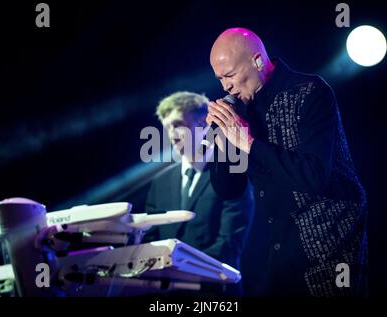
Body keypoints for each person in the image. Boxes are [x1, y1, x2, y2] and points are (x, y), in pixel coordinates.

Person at [206, 28, 368, 297]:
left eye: (230, 75)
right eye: (220, 79)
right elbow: (228, 189)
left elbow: (315, 176)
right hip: (281, 253)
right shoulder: (243, 108)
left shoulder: (310, 91)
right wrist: (223, 139)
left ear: (257, 61)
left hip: (332, 251)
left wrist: (248, 142)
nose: (226, 86)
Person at [143, 91, 254, 295]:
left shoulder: (232, 175)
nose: (171, 134)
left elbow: (229, 245)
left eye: (178, 125)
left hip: (216, 294)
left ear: (203, 125)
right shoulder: (160, 183)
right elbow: (149, 240)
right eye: (167, 127)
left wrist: (177, 270)